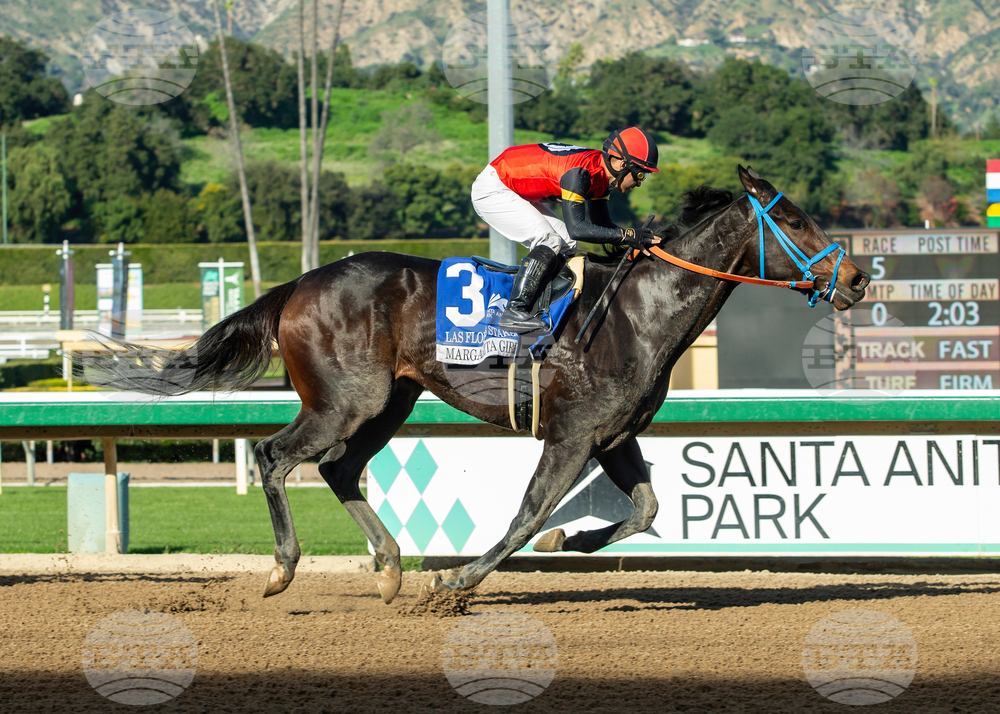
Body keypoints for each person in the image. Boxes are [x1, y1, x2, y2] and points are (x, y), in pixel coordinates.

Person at [471, 127, 660, 333]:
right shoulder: (580, 174)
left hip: (515, 188)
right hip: (494, 188)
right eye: (640, 173)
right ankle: (515, 311)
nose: (639, 183)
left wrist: (633, 239)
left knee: (567, 244)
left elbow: (603, 226)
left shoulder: (601, 176)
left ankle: (545, 306)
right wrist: (627, 236)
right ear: (622, 164)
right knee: (550, 240)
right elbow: (577, 228)